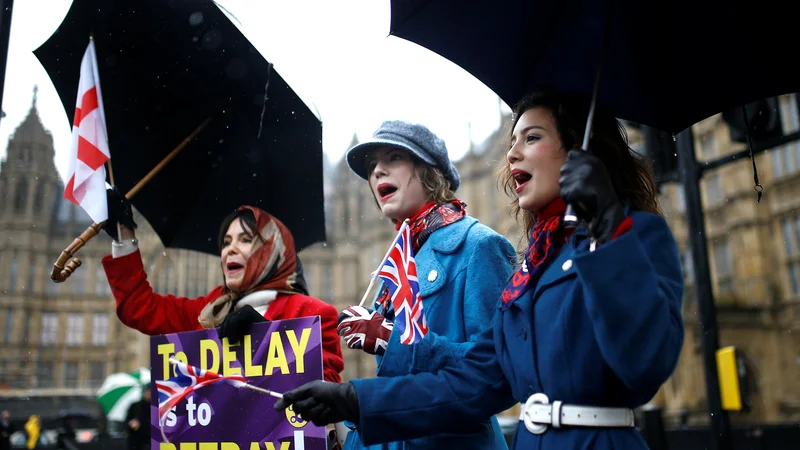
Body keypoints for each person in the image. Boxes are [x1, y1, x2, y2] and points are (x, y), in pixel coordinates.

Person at [274, 90, 685, 450]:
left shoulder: (633, 234)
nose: (512, 153)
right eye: (512, 141)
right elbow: (478, 380)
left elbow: (644, 362)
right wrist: (354, 399)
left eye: (533, 137)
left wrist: (608, 227)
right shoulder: (533, 265)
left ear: (580, 152)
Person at [335, 120, 516, 450]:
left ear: (430, 172)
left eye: (393, 158)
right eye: (372, 165)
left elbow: (497, 377)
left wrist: (391, 340)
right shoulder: (398, 262)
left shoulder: (480, 246)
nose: (377, 171)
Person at [101, 199, 344, 382]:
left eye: (246, 240)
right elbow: (139, 307)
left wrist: (266, 338)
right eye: (226, 242)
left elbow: (323, 394)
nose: (230, 249)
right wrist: (124, 237)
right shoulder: (207, 311)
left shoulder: (312, 314)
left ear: (272, 252)